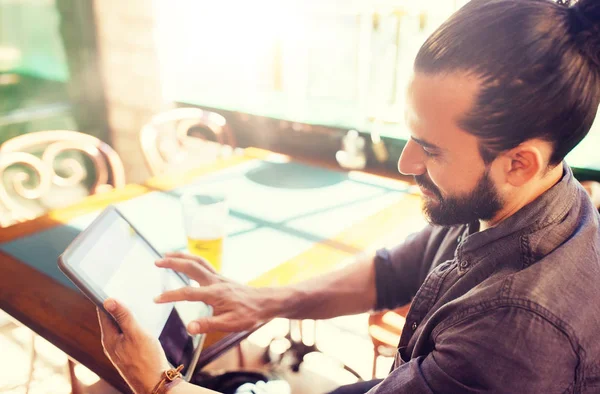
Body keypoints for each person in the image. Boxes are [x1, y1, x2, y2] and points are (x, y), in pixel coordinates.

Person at [97, 0, 600, 392]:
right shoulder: (520, 194)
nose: (407, 164)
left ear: (519, 162)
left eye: (431, 150)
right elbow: (392, 270)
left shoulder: (519, 338)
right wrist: (261, 302)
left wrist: (157, 384)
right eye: (411, 136)